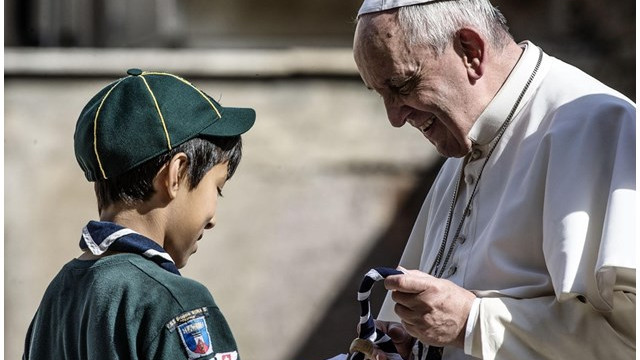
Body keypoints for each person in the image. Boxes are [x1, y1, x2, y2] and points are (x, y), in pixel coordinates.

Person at [352, 0, 635, 359]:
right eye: (381, 94)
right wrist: (414, 343)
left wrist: (474, 322)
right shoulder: (465, 143)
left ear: (471, 51)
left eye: (403, 85)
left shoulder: (597, 125)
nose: (394, 117)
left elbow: (630, 336)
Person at [23, 69, 255, 360]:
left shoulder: (57, 297)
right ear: (176, 174)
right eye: (217, 189)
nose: (213, 219)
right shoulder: (176, 303)